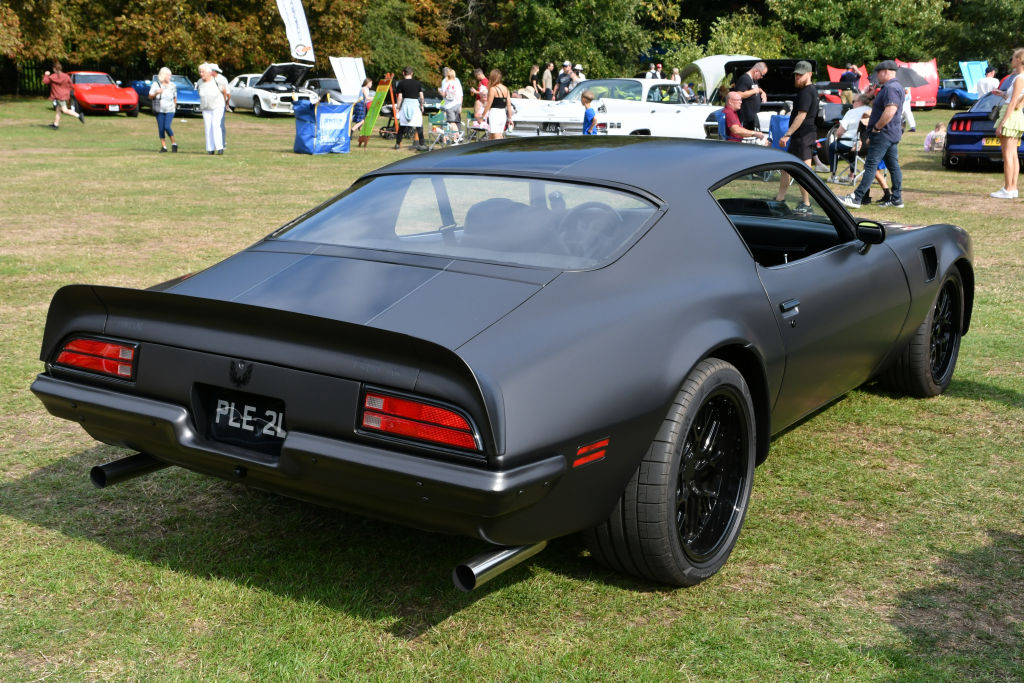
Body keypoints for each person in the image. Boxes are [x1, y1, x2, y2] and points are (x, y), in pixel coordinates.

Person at [841, 60, 905, 209]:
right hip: (891, 133)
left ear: (886, 72)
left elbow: (890, 110)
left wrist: (876, 128)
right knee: (893, 165)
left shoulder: (891, 88)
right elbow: (882, 107)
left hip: (883, 133)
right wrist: (870, 96)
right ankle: (897, 199)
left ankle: (857, 198)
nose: (877, 76)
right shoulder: (894, 87)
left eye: (878, 73)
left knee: (870, 165)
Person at [776, 61, 819, 213]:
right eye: (796, 75)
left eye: (801, 75)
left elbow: (802, 115)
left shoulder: (807, 91)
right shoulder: (808, 90)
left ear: (809, 74)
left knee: (802, 172)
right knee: (786, 169)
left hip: (803, 136)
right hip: (802, 136)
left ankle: (806, 204)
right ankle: (779, 199)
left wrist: (787, 134)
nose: (797, 77)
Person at [990, 48, 1024, 199]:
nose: (1011, 60)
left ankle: (1008, 189)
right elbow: (1014, 99)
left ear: (1019, 60)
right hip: (1015, 115)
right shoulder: (1020, 78)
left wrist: (1002, 123)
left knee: (1008, 155)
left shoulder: (1019, 78)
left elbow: (1012, 103)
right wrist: (1003, 94)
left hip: (1010, 116)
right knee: (1013, 155)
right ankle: (1013, 188)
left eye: (1013, 58)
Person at [828, 93, 871, 181]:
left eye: (853, 101)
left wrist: (837, 136)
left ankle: (833, 175)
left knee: (833, 146)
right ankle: (851, 175)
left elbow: (839, 132)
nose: (852, 104)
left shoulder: (851, 112)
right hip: (867, 145)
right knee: (852, 148)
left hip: (852, 144)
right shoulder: (871, 111)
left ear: (859, 102)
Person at [197, 62, 228, 154]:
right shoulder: (199, 82)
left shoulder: (217, 81)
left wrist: (224, 102)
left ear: (209, 72)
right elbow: (199, 92)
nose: (201, 74)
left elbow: (224, 92)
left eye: (203, 72)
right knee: (208, 127)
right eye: (200, 72)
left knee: (215, 125)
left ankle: (219, 147)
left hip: (217, 106)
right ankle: (210, 149)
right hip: (206, 107)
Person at [42, 61, 84, 128]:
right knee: (58, 110)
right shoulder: (66, 76)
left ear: (54, 68)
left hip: (58, 96)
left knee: (65, 110)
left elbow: (45, 81)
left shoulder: (53, 76)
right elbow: (71, 85)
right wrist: (67, 91)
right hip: (64, 95)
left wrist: (46, 75)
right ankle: (56, 124)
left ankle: (79, 116)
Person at [394, 66, 426, 151]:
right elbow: (421, 97)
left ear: (403, 73)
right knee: (419, 125)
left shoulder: (401, 83)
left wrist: (398, 107)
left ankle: (397, 143)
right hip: (415, 105)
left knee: (402, 125)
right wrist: (421, 105)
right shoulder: (417, 83)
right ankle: (422, 144)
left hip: (406, 105)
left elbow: (400, 97)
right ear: (412, 73)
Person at [731, 61, 767, 131]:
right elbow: (738, 94)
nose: (762, 77)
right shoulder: (745, 79)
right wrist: (753, 91)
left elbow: (757, 89)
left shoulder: (754, 80)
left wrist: (763, 92)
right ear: (756, 71)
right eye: (762, 75)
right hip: (745, 120)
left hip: (753, 120)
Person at [149, 67, 177, 152]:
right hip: (159, 109)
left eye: (170, 75)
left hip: (170, 109)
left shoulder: (173, 85)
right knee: (161, 128)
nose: (170, 77)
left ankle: (174, 143)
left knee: (167, 127)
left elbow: (175, 97)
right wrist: (156, 93)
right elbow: (150, 96)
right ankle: (164, 147)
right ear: (163, 75)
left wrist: (174, 106)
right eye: (168, 75)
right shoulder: (156, 84)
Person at [482, 69, 510, 140]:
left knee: (496, 137)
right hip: (503, 113)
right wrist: (510, 118)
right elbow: (509, 105)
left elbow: (489, 104)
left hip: (495, 114)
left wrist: (482, 115)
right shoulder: (506, 88)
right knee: (493, 136)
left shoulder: (493, 89)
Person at [439, 68, 463, 137]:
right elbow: (461, 94)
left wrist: (439, 91)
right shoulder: (457, 81)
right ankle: (457, 136)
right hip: (457, 103)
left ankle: (457, 137)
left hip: (449, 105)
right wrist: (460, 105)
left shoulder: (445, 81)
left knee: (451, 122)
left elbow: (444, 94)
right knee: (457, 121)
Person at [211, 64, 230, 147]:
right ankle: (213, 143)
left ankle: (222, 143)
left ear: (214, 71)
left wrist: (226, 103)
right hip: (211, 105)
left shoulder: (222, 79)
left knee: (220, 124)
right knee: (212, 125)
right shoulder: (208, 79)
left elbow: (228, 93)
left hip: (220, 104)